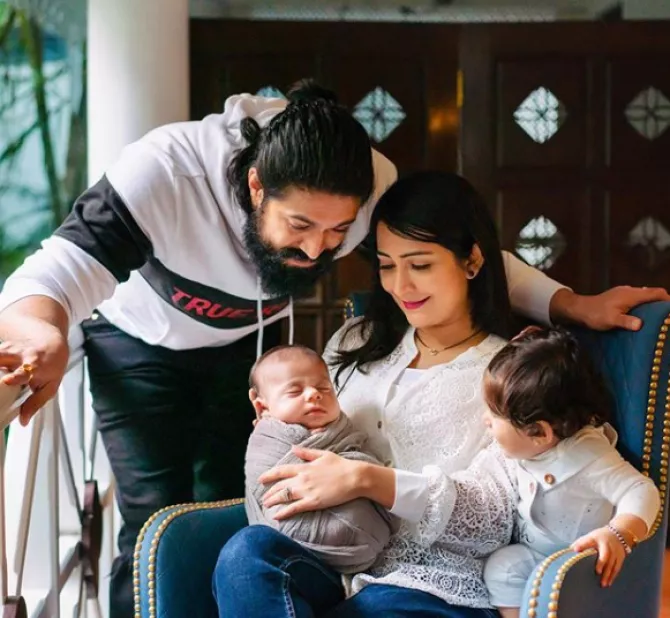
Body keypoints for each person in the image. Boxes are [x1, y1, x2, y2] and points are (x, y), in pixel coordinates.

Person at [0, 80, 664, 618]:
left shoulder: (490, 353)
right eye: (301, 226)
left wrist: (568, 303)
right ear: (256, 186)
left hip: (256, 352)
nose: (320, 250)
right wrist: (41, 332)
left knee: (227, 499)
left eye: (340, 233)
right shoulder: (166, 174)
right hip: (141, 343)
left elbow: (442, 241)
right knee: (174, 526)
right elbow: (59, 267)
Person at [209, 171, 534, 616]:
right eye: (387, 265)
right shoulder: (355, 341)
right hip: (332, 563)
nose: (401, 286)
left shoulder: (506, 371)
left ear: (472, 260)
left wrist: (367, 480)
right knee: (245, 556)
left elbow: (496, 521)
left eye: (420, 265)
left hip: (433, 585)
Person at [478, 327, 660, 618]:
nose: (485, 420)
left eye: (495, 415)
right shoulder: (526, 444)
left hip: (576, 567)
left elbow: (641, 490)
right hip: (533, 553)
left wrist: (619, 533)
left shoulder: (588, 456)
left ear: (540, 433)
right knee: (502, 568)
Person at [245, 344, 396, 573]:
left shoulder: (345, 432)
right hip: (293, 549)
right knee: (248, 545)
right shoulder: (267, 441)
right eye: (295, 391)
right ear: (262, 407)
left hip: (369, 550)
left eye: (324, 388)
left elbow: (364, 462)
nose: (314, 394)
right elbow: (264, 486)